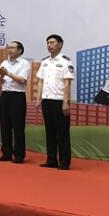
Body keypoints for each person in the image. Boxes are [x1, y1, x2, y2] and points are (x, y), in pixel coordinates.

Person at [36, 34, 74, 170]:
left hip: (59, 101)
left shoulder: (66, 62)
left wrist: (66, 102)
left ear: (60, 44)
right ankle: (51, 159)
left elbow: (67, 83)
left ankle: (64, 162)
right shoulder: (45, 62)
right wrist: (38, 99)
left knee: (62, 133)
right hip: (47, 100)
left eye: (52, 42)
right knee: (50, 131)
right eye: (48, 43)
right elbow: (40, 81)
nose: (49, 45)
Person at [0, 41, 31, 163]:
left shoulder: (24, 63)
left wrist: (8, 73)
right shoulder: (4, 63)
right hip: (5, 95)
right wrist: (1, 75)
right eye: (8, 47)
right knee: (4, 126)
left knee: (18, 126)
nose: (9, 49)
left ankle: (19, 155)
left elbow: (22, 80)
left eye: (12, 47)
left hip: (17, 96)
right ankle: (6, 153)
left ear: (20, 50)